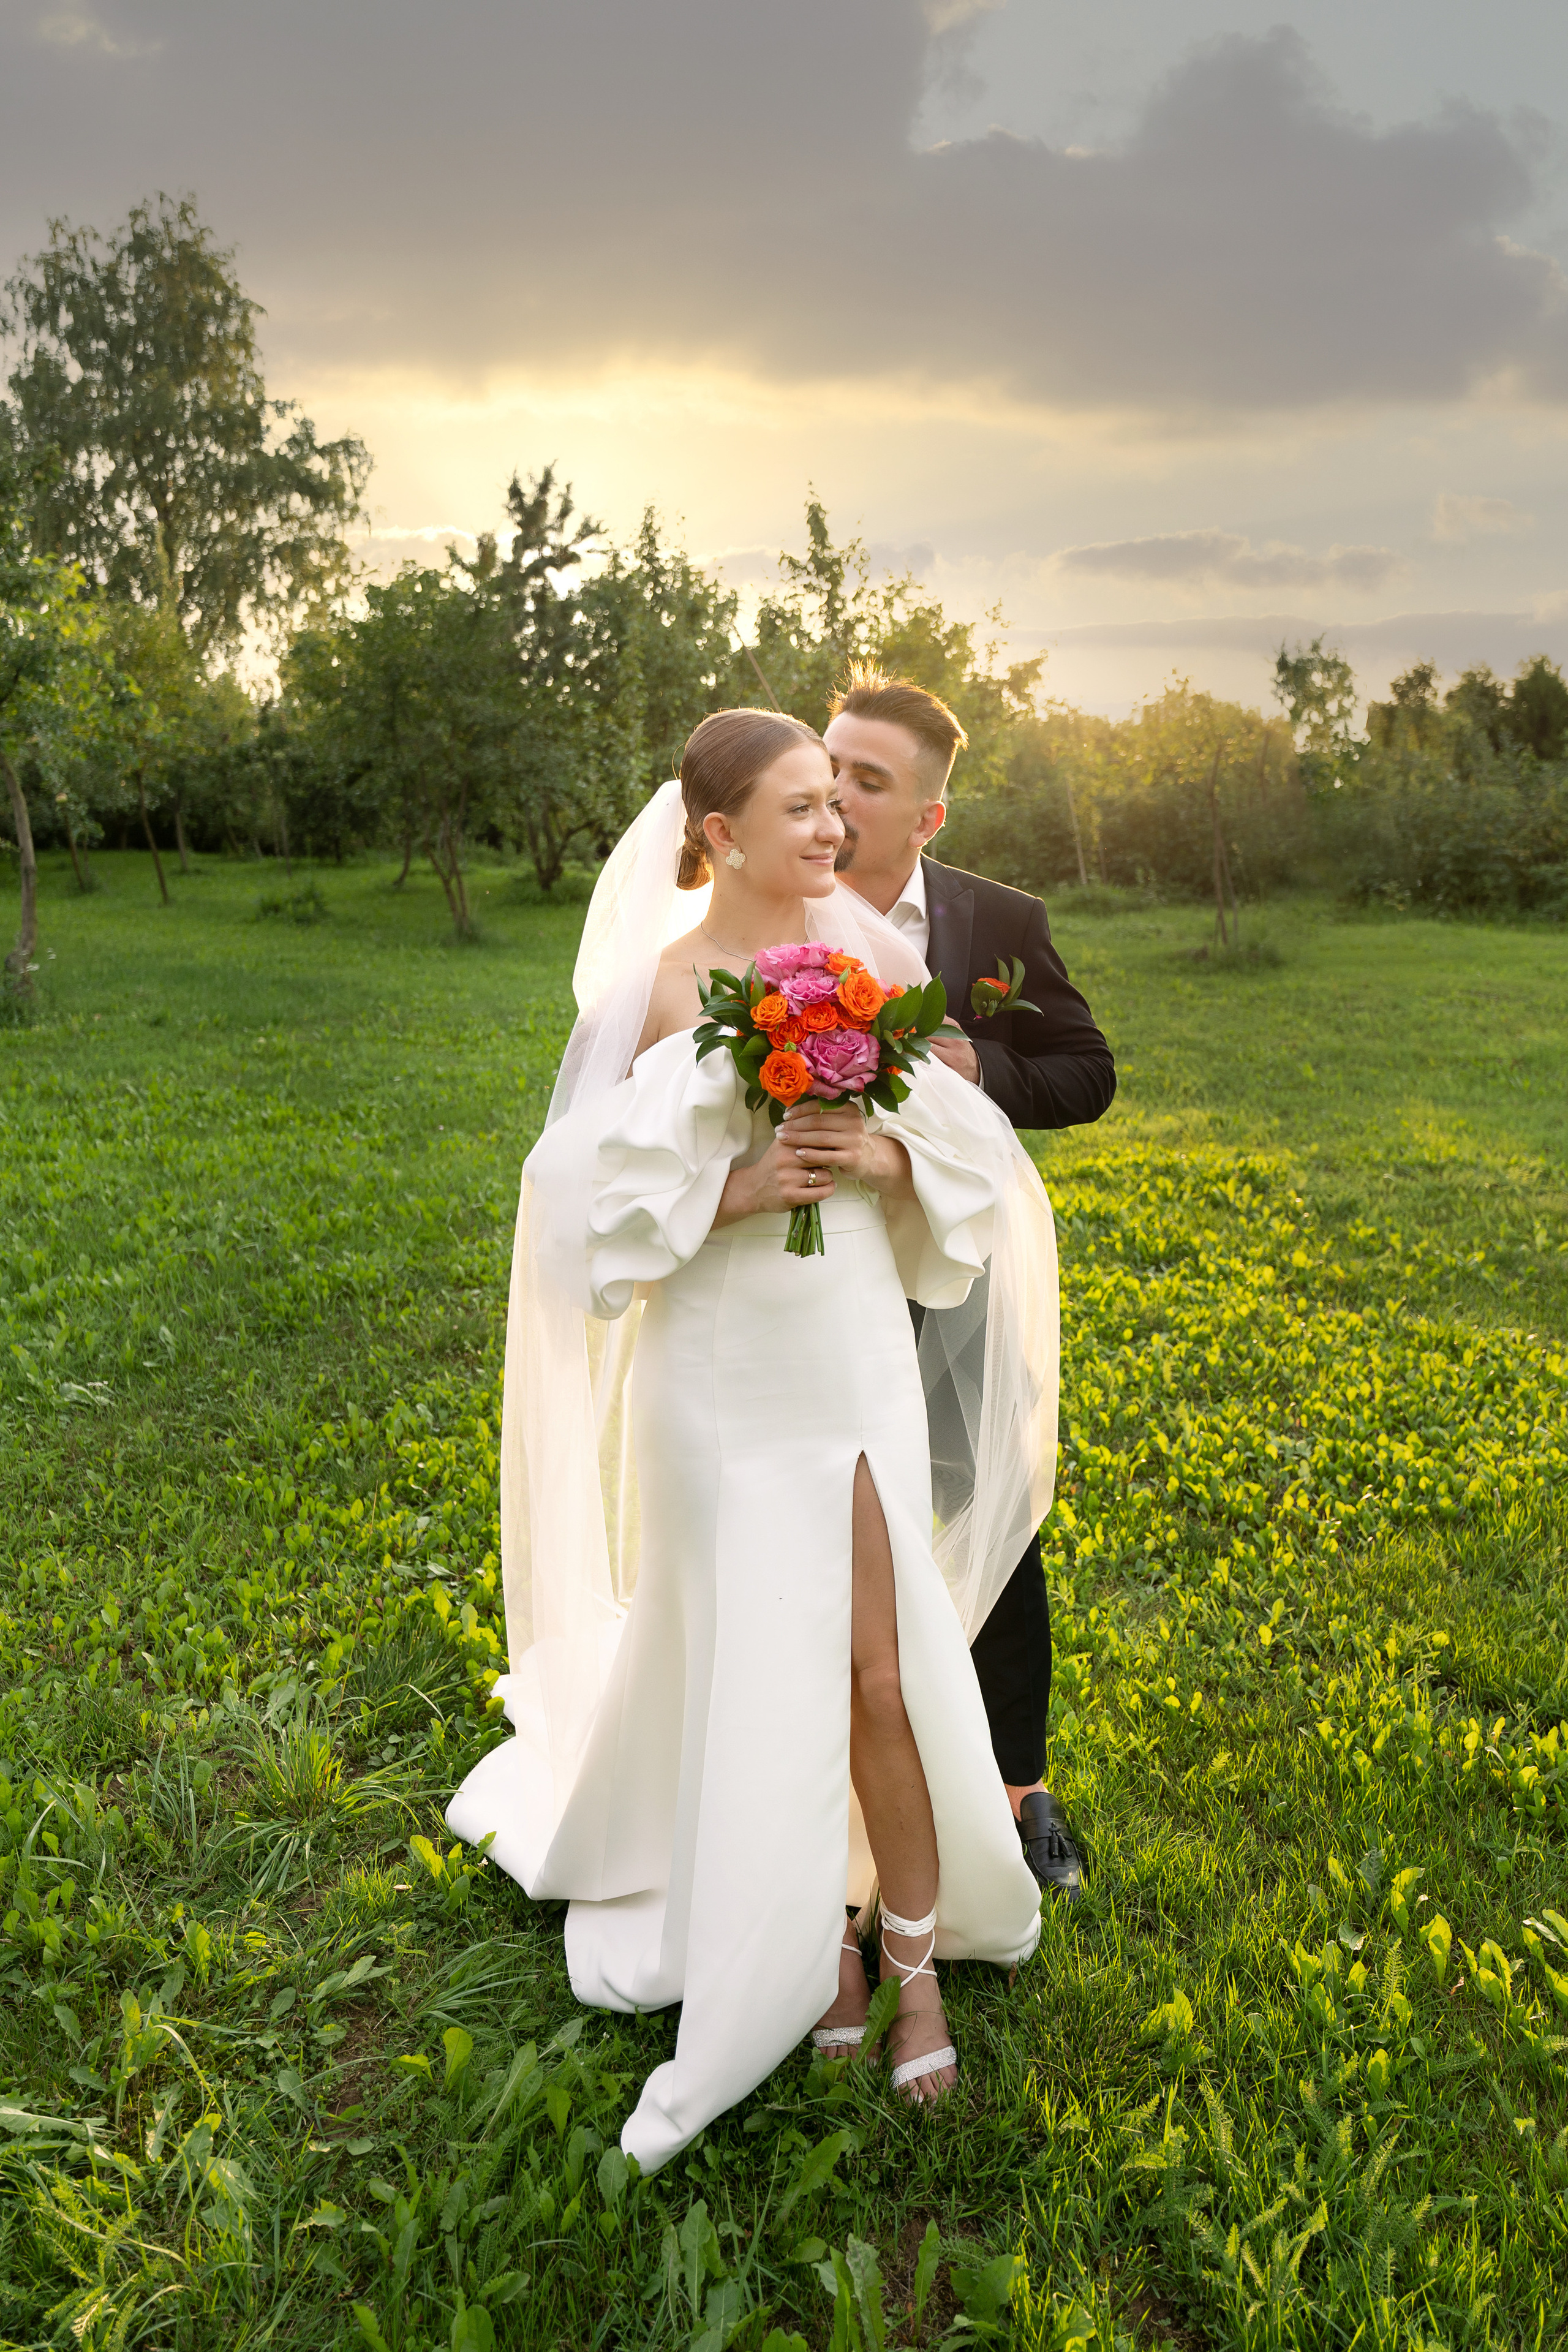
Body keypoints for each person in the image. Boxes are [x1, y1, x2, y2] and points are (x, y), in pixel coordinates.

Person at [447, 709, 1059, 2172]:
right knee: (753, 1663)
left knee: (878, 1668)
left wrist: (888, 1152)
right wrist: (738, 1189)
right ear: (717, 833)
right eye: (798, 809)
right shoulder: (665, 989)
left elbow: (975, 1154)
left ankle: (906, 1954)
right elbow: (575, 1212)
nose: (831, 830)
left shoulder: (878, 965)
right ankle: (807, 1945)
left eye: (836, 807)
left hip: (847, 1344)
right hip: (718, 1369)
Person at [824, 666, 1115, 1902]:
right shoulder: (767, 899)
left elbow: (1086, 1073)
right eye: (827, 765)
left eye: (866, 781)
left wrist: (975, 1059)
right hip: (817, 1267)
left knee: (985, 1505)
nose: (833, 796)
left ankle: (1014, 1784)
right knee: (819, 1518)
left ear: (926, 818)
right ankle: (817, 1777)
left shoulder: (997, 921)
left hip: (952, 1271)